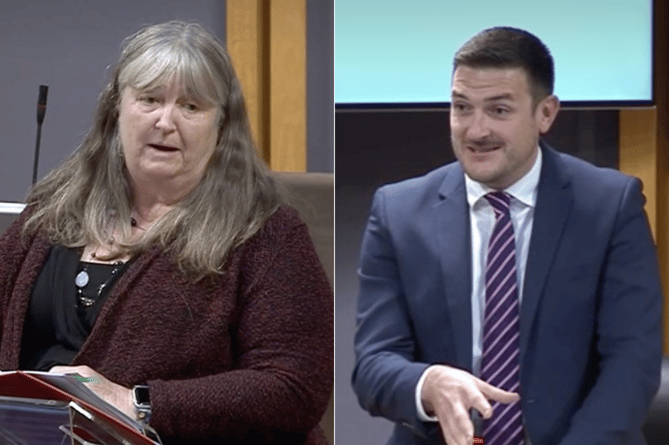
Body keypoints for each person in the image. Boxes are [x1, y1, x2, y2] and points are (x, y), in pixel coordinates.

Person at [0, 21, 333, 444]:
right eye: (150, 99)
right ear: (116, 109)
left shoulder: (266, 236)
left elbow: (295, 386)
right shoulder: (50, 214)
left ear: (221, 127)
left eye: (191, 107)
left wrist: (137, 402)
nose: (165, 121)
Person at [352, 27, 662, 445]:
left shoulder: (609, 205)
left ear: (546, 113)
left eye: (498, 111)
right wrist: (426, 383)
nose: (476, 131)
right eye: (462, 107)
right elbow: (372, 365)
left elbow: (633, 360)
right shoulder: (399, 211)